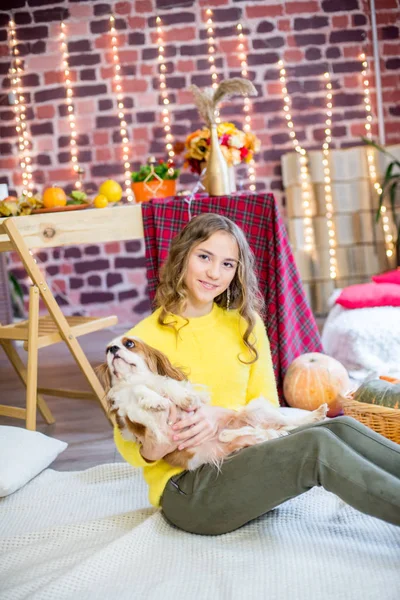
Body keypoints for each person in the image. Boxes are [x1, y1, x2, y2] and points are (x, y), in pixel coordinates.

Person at [114, 213, 400, 535]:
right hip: (190, 489)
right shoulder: (139, 342)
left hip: (243, 456)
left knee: (340, 427)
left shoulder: (244, 326)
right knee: (317, 445)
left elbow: (266, 404)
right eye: (204, 257)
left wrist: (220, 415)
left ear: (237, 271)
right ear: (183, 255)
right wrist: (171, 433)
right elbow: (136, 449)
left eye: (227, 264)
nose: (213, 272)